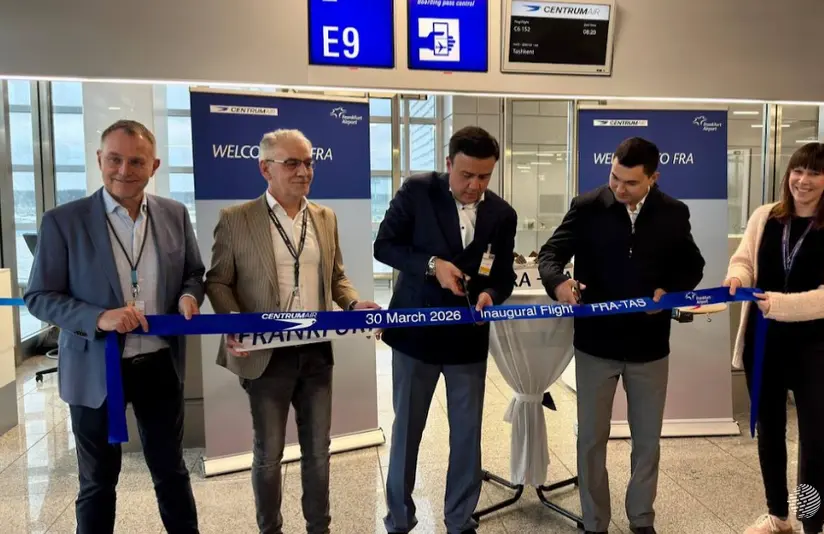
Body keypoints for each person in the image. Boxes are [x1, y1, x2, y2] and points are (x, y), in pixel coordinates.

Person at [23, 120, 204, 534]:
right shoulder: (63, 221)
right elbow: (39, 297)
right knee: (97, 482)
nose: (124, 170)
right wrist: (97, 317)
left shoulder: (174, 214)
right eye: (115, 159)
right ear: (99, 159)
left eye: (136, 161)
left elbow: (194, 273)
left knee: (171, 472)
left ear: (154, 165)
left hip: (160, 364)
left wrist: (188, 296)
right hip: (95, 368)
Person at [205, 128, 379, 534]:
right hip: (265, 354)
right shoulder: (236, 219)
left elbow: (336, 277)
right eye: (292, 163)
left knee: (318, 450)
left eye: (308, 163)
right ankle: (270, 529)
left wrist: (353, 303)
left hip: (315, 351)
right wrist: (233, 320)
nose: (304, 171)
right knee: (268, 454)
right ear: (265, 168)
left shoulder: (324, 217)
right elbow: (218, 280)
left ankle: (319, 527)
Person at [538, 137, 705, 534]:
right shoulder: (588, 206)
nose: (619, 188)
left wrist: (670, 290)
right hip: (595, 345)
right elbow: (549, 254)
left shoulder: (673, 212)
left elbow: (692, 266)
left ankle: (641, 518)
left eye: (630, 182)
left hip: (650, 347)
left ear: (653, 178)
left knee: (647, 441)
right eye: (614, 177)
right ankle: (595, 521)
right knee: (591, 439)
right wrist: (559, 283)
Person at [374, 126, 517, 534]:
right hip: (414, 336)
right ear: (449, 163)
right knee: (407, 431)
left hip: (467, 339)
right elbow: (384, 246)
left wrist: (490, 294)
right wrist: (432, 265)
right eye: (466, 175)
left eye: (484, 176)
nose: (475, 185)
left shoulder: (502, 215)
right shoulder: (418, 191)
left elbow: (503, 276)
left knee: (467, 435)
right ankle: (399, 518)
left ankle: (459, 518)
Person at [725, 143, 824, 534]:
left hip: (816, 347)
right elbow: (744, 260)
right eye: (798, 171)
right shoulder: (765, 216)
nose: (803, 180)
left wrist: (781, 305)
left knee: (816, 442)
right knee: (769, 431)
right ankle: (778, 515)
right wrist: (737, 277)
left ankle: (812, 525)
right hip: (764, 343)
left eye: (815, 173)